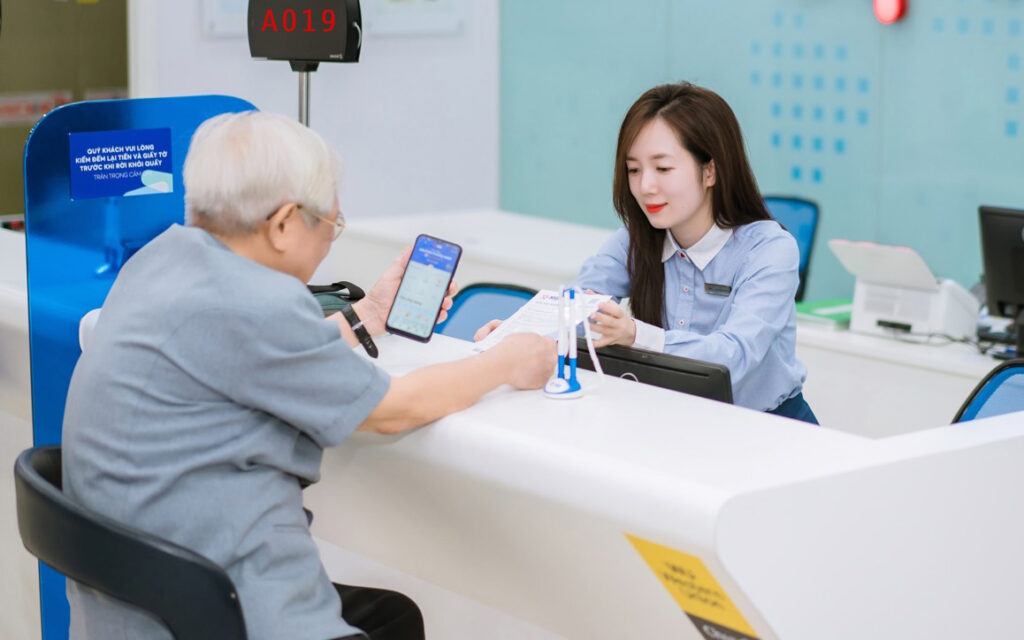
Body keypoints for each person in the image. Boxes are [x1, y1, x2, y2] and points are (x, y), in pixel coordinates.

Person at [61, 110, 556, 640]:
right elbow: (395, 409)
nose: (328, 244)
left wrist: (369, 315)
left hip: (136, 600)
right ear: (282, 224)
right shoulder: (253, 302)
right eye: (331, 226)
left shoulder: (162, 261)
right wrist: (504, 361)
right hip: (220, 609)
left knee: (393, 616)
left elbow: (259, 359)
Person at [479, 82, 816, 423]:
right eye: (634, 170)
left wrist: (637, 336)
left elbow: (734, 356)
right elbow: (581, 301)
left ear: (710, 171)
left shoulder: (769, 249)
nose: (645, 187)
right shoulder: (635, 239)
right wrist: (515, 338)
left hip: (769, 425)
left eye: (663, 169)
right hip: (677, 419)